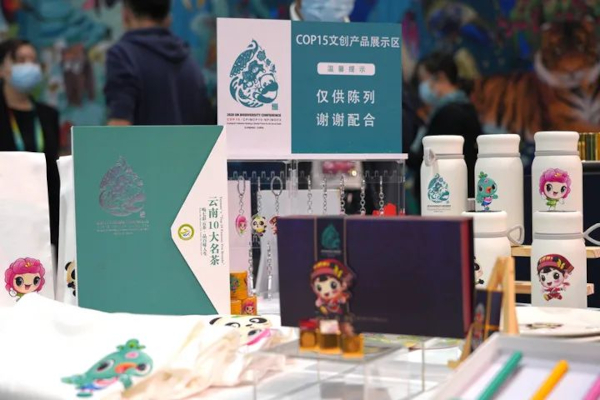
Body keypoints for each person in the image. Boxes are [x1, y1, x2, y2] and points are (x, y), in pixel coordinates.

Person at [105, 0, 211, 126]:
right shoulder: (190, 61)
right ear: (168, 18)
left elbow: (119, 124)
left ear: (126, 14)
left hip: (143, 140)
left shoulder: (123, 56)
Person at [0, 39, 60, 247]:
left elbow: (54, 170)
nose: (29, 66)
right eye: (20, 60)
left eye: (33, 60)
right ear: (2, 69)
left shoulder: (48, 115)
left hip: (43, 216)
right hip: (6, 214)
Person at [410, 52, 482, 197]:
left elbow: (427, 157)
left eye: (424, 79)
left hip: (446, 197)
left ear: (441, 77)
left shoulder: (449, 114)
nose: (423, 87)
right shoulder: (464, 108)